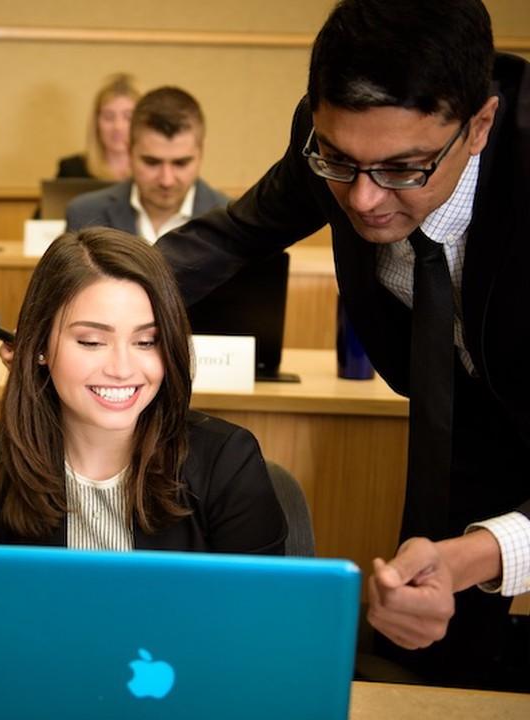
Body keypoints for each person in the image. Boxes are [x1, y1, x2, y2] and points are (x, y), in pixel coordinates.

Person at [156, 0, 529, 691]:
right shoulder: (334, 141)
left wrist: (477, 556)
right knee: (441, 653)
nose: (361, 200)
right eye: (340, 161)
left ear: (479, 125)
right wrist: (84, 302)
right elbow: (235, 235)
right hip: (459, 415)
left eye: (402, 169)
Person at [0, 227, 286, 556]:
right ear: (39, 345)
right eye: (92, 342)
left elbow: (263, 608)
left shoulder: (227, 461)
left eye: (146, 342)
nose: (122, 369)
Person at [66, 86, 228, 244]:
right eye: (152, 162)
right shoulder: (85, 215)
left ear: (201, 153)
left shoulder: (231, 223)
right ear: (129, 151)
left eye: (181, 163)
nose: (166, 180)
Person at [56, 73, 140, 181]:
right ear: (96, 122)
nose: (118, 126)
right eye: (109, 117)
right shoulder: (71, 171)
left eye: (128, 117)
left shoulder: (154, 172)